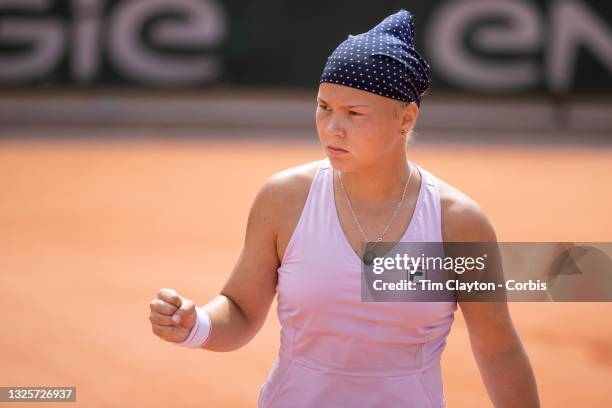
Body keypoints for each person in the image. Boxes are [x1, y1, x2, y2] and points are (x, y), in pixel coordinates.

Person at [149, 9, 540, 407]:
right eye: (324, 107)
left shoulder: (458, 223)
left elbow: (497, 348)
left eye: (354, 113)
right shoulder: (283, 199)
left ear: (405, 118)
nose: (333, 127)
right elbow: (242, 311)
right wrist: (195, 324)